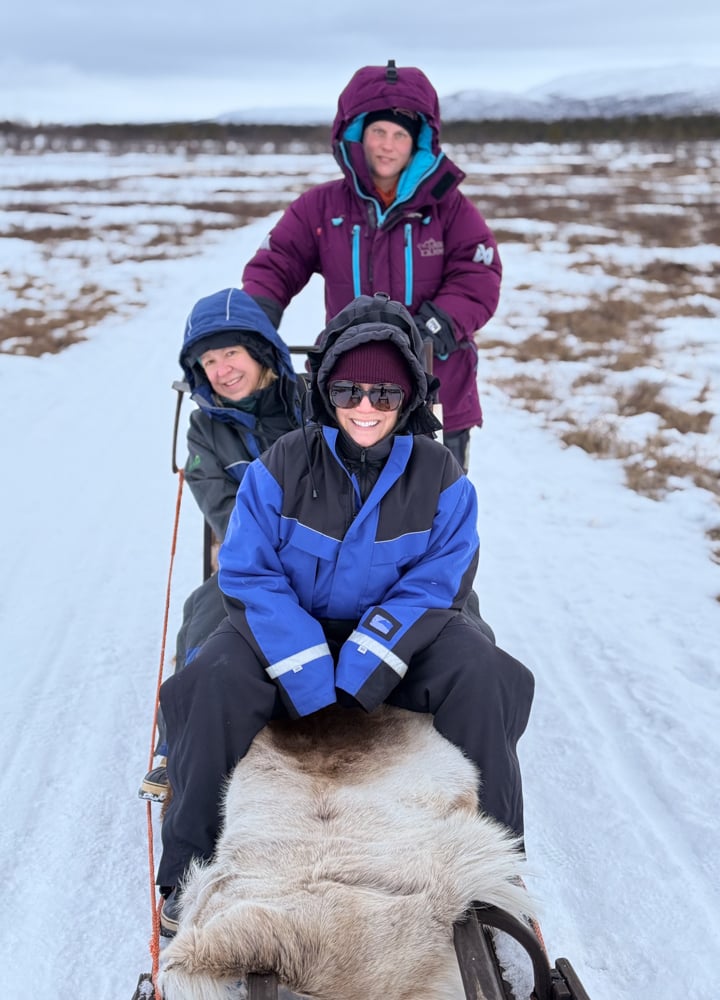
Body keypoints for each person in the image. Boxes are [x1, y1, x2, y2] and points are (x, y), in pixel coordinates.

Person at [155, 293, 534, 937]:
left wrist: (367, 659)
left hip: (393, 643)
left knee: (486, 671)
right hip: (289, 636)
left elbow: (438, 583)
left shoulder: (441, 476)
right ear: (326, 390)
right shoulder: (281, 466)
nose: (366, 407)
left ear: (408, 398)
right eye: (351, 390)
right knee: (209, 677)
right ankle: (189, 869)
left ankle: (496, 867)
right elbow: (247, 570)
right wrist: (305, 666)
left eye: (385, 395)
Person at [241, 60, 502, 473]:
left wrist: (429, 329)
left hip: (437, 391)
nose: (387, 145)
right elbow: (277, 263)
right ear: (355, 135)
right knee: (341, 513)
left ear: (420, 142)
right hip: (348, 397)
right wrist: (251, 327)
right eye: (377, 131)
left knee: (438, 517)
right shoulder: (322, 207)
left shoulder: (448, 207)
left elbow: (478, 274)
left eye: (400, 134)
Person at [138, 286, 303, 801]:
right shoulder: (204, 432)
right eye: (208, 361)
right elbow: (228, 518)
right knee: (204, 608)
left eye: (231, 352)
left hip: (337, 553)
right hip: (257, 563)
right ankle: (175, 749)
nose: (222, 369)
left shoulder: (311, 404)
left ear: (260, 351)